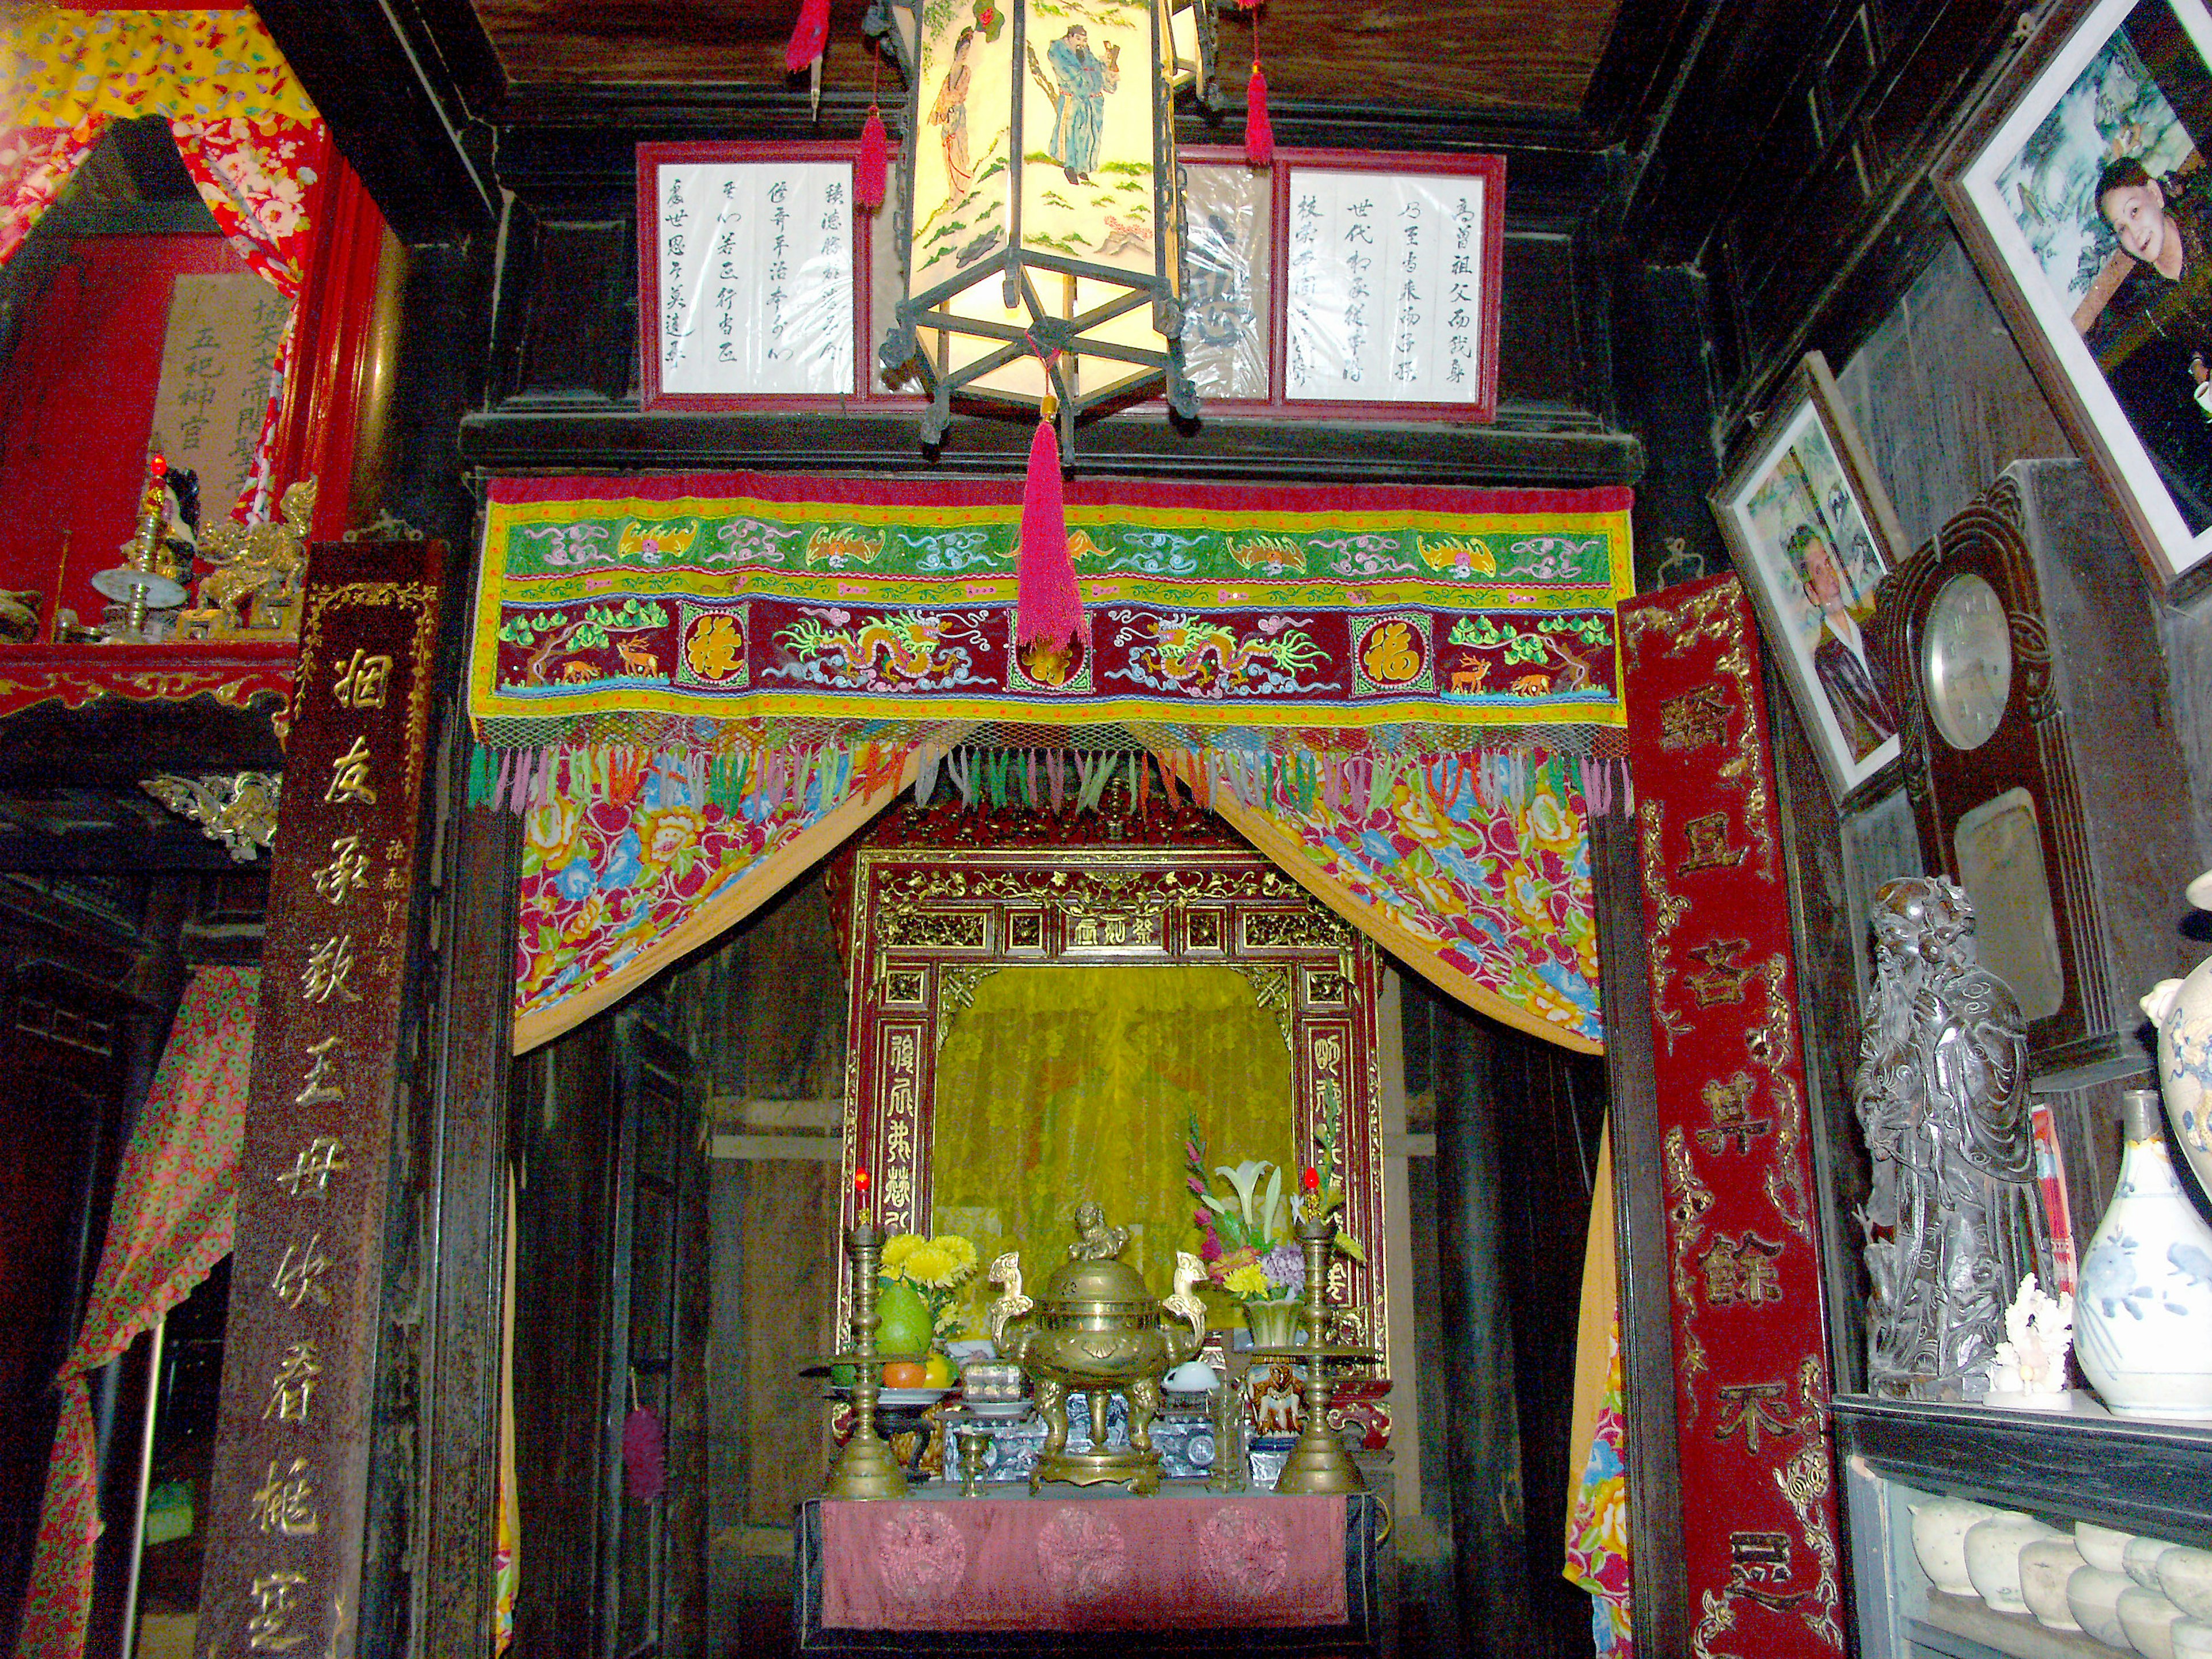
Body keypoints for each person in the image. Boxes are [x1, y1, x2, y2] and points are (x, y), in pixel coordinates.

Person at [2092, 155, 2212, 528]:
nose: (2134, 233)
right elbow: (2192, 344)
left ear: (2156, 196)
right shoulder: (2148, 294)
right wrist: (2198, 370)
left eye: (2135, 211)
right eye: (2121, 228)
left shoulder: (2205, 226)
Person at [1787, 521, 1894, 760]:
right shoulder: (1825, 661)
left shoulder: (1870, 623)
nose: (1830, 575)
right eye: (1818, 571)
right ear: (1812, 593)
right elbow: (1850, 736)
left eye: (1828, 564)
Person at [1041, 25, 1118, 185]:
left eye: (1084, 40)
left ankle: (1083, 168)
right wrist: (1088, 85)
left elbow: (1098, 71)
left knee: (1090, 134)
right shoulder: (1059, 52)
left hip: (1092, 101)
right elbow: (1072, 76)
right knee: (1071, 132)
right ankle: (1070, 167)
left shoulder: (1085, 53)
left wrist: (1107, 66)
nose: (1081, 43)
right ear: (1069, 37)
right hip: (1073, 99)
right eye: (1078, 39)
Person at [929, 28, 976, 198]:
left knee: (960, 155)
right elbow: (940, 102)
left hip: (958, 119)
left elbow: (957, 96)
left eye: (967, 51)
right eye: (963, 50)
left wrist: (946, 108)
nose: (965, 54)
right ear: (957, 51)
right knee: (948, 158)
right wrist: (940, 115)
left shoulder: (966, 72)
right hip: (947, 123)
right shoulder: (948, 76)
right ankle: (953, 194)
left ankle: (962, 192)